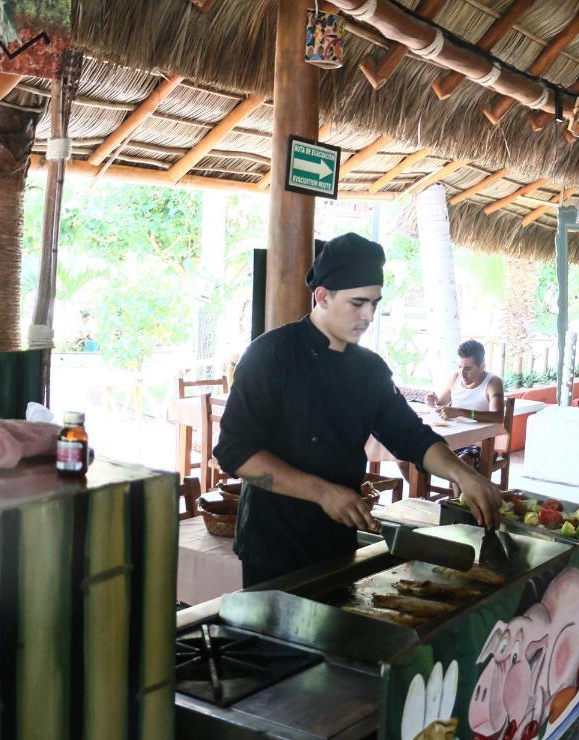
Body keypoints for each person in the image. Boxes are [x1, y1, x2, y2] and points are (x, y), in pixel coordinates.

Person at [214, 233, 502, 587]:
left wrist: (464, 475)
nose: (369, 315)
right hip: (274, 544)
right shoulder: (271, 355)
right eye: (358, 303)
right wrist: (322, 491)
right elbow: (233, 452)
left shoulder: (369, 369)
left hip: (338, 539)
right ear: (322, 296)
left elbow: (411, 436)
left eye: (375, 303)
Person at [427, 339, 504, 470]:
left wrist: (462, 412)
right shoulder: (455, 378)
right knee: (412, 453)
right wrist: (432, 400)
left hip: (481, 446)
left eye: (468, 368)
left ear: (482, 367)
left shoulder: (492, 382)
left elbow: (497, 416)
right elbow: (440, 403)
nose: (462, 373)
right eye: (460, 367)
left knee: (461, 463)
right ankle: (420, 491)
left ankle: (466, 491)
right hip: (452, 442)